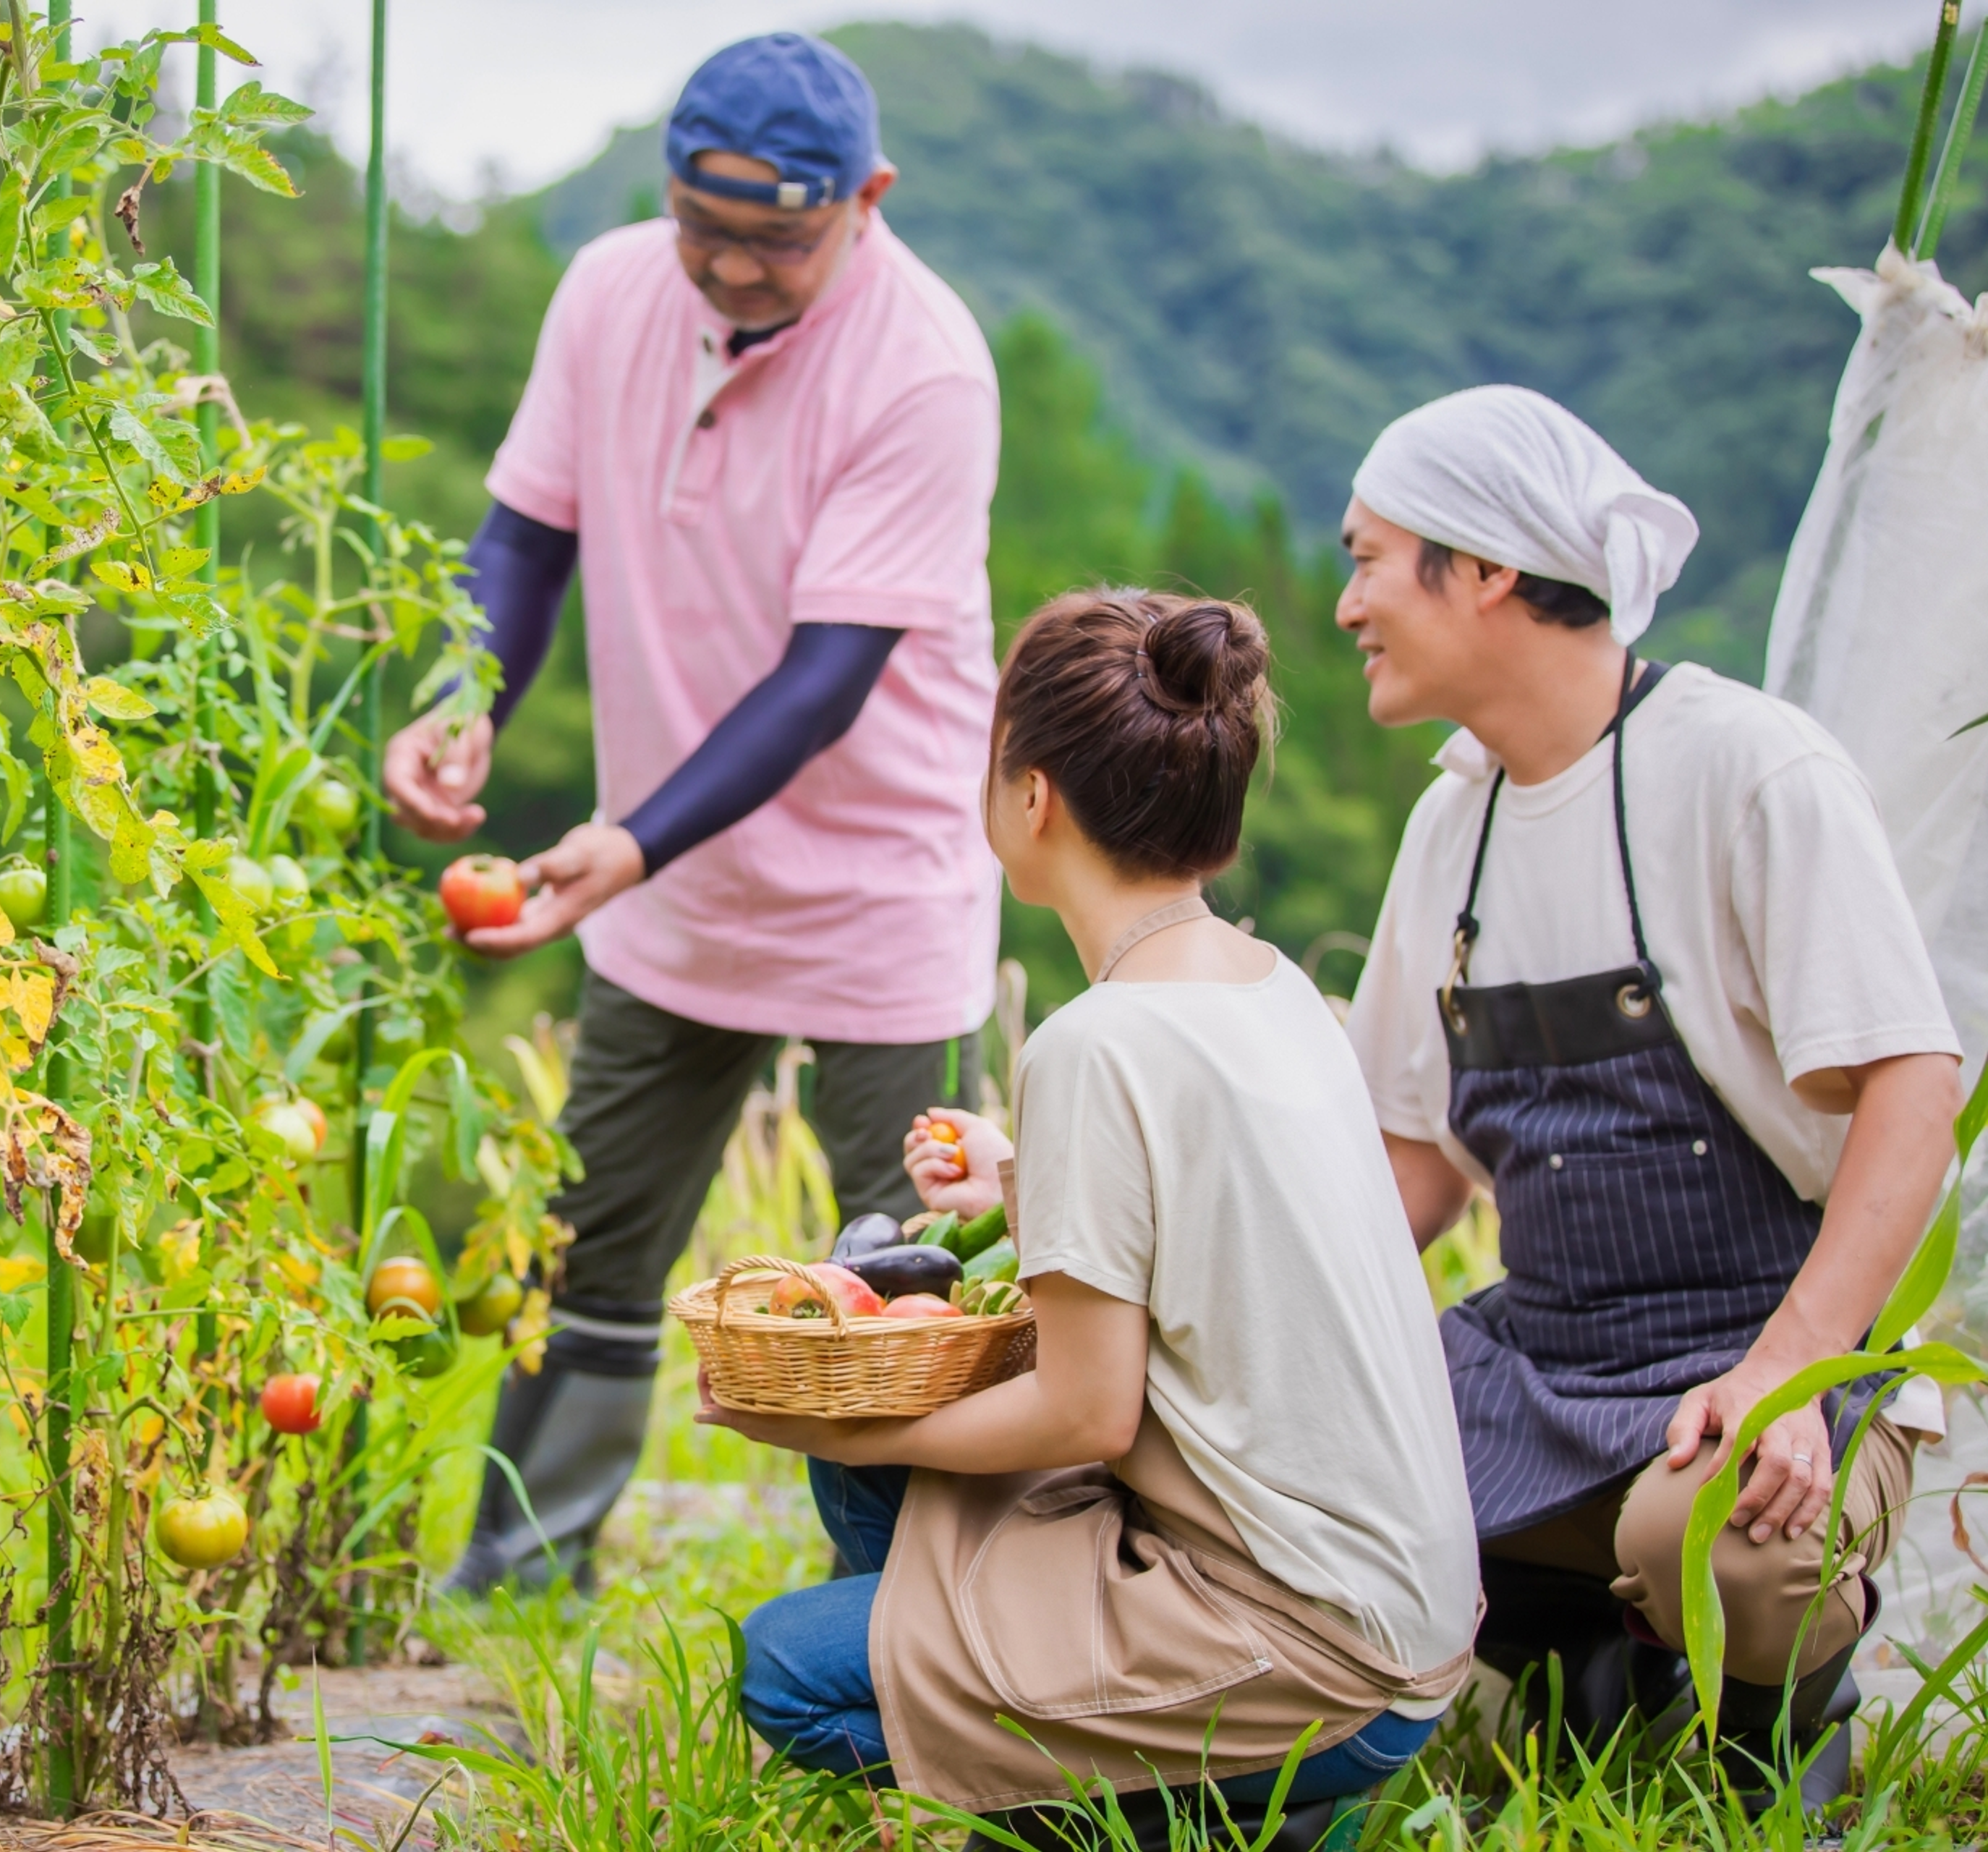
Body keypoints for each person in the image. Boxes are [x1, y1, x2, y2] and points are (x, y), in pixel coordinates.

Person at [385, 33, 1004, 1592]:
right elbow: (523, 538)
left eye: (778, 240)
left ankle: (920, 1609)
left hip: (879, 887)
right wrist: (469, 698)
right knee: (593, 1237)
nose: (730, 266)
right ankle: (524, 1572)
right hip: (667, 875)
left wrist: (629, 838)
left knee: (907, 1278)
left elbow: (827, 677)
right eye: (701, 227)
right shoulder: (608, 291)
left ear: (868, 199)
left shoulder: (924, 367)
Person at [704, 592, 1479, 1832]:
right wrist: (1027, 1174)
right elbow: (1210, 1222)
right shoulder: (1269, 988)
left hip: (1305, 1646)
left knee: (792, 1671)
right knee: (896, 1484)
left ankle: (1185, 1809)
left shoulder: (1096, 1045)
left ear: (1032, 797)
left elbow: (1086, 1408)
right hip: (1400, 1609)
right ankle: (1067, 1716)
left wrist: (844, 1433)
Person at [1335, 386, 1963, 1782]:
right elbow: (1414, 1171)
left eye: (1368, 558)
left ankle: (1780, 1730)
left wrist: (1796, 1367)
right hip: (1549, 1355)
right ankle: (1581, 1666)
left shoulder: (1746, 768)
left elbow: (1914, 1088)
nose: (1347, 605)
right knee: (1308, 1466)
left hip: (1774, 1360)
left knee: (1711, 1548)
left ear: (1487, 566)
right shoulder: (1454, 822)